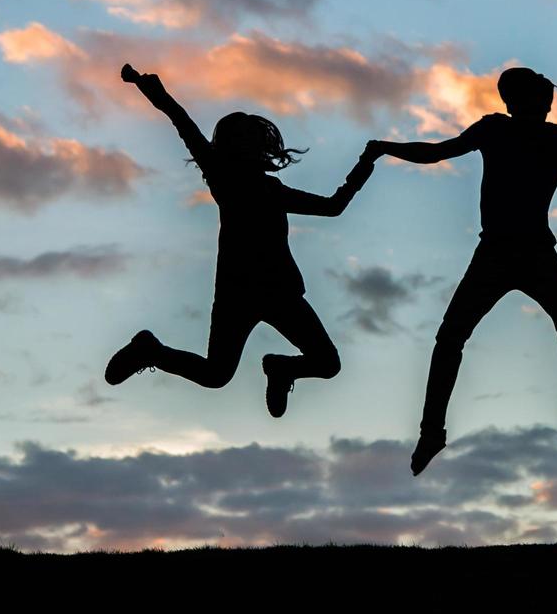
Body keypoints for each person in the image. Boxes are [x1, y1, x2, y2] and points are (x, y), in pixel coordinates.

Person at [368, 66, 557, 476]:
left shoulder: (556, 138)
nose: (547, 106)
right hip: (499, 253)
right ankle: (432, 433)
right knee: (455, 338)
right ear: (515, 101)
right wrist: (386, 147)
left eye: (548, 99)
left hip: (531, 253)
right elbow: (436, 152)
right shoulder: (495, 130)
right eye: (540, 98)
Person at [105, 63, 377, 419]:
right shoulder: (222, 176)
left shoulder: (273, 189)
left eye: (253, 138)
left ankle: (281, 369)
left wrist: (366, 163)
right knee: (216, 375)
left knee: (327, 363)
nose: (251, 144)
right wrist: (152, 91)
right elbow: (183, 124)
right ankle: (150, 351)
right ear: (231, 146)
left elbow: (333, 207)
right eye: (242, 138)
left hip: (281, 293)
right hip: (238, 295)